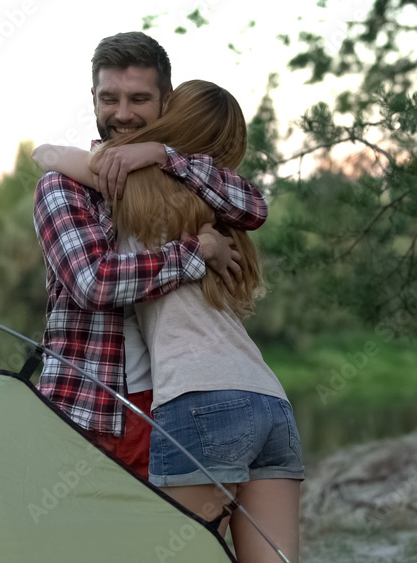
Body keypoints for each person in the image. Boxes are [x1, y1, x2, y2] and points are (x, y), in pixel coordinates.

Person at [34, 79, 303, 563]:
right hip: (270, 401)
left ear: (172, 117)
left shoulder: (139, 191)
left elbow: (60, 160)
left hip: (199, 397)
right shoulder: (216, 209)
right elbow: (255, 204)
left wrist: (55, 152)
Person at [31, 31, 268, 479]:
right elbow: (94, 282)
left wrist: (163, 154)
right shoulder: (63, 184)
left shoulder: (186, 176)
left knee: (186, 525)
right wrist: (199, 251)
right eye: (109, 98)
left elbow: (254, 207)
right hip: (93, 407)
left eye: (139, 98)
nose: (122, 114)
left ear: (167, 101)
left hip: (182, 402)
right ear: (93, 99)